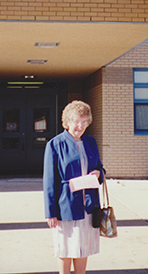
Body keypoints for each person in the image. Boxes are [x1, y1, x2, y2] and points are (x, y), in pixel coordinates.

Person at [43, 100, 105, 274]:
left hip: (88, 206)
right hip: (66, 206)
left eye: (84, 122)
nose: (80, 126)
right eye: (77, 121)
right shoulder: (55, 144)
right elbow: (49, 181)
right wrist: (50, 212)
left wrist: (98, 174)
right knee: (65, 248)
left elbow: (100, 168)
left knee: (83, 247)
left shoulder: (90, 142)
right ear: (68, 121)